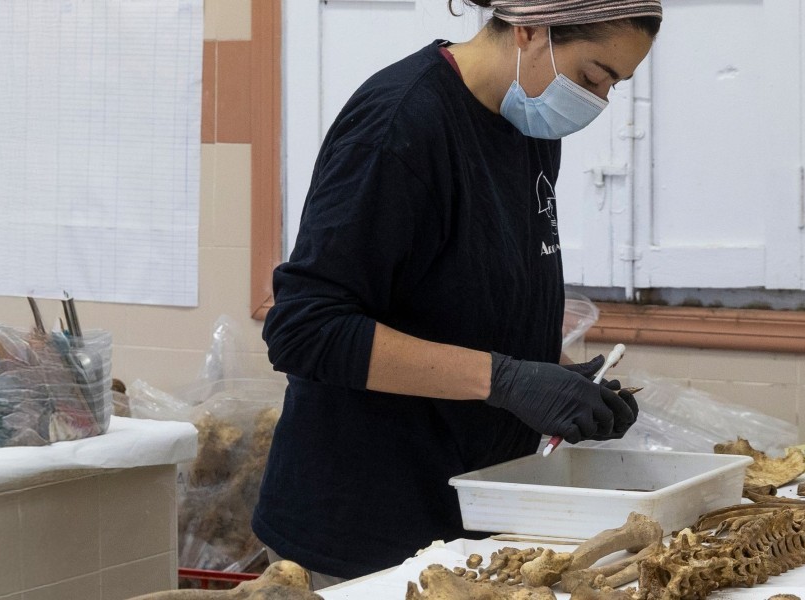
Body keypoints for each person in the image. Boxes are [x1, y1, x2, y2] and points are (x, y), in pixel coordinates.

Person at [255, 0, 662, 587]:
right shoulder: (400, 125)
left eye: (613, 86)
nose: (596, 101)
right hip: (364, 531)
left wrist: (560, 380)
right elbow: (305, 329)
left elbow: (462, 299)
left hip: (469, 521)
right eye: (592, 76)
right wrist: (508, 380)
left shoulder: (526, 123)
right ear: (530, 30)